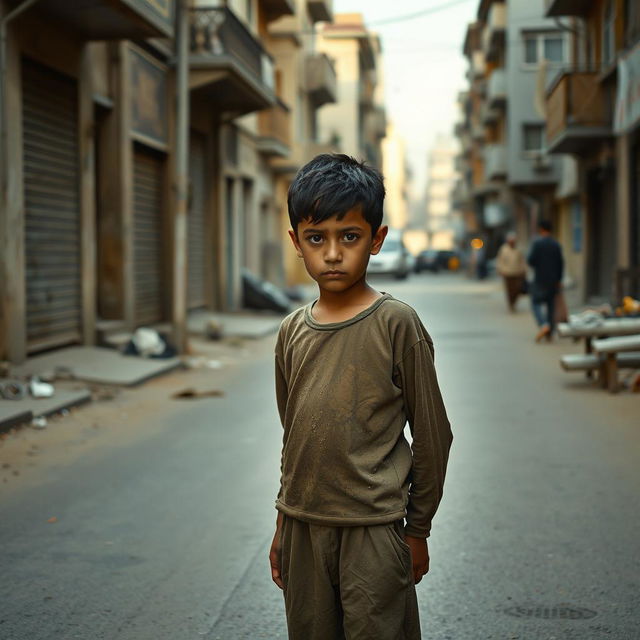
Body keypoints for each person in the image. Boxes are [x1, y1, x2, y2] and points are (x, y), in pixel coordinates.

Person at [268, 154, 453, 640]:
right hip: (305, 529)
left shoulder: (398, 325)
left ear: (376, 240)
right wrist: (283, 523)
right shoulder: (291, 331)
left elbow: (434, 436)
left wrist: (418, 530)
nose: (332, 253)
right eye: (316, 238)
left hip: (375, 529)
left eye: (348, 237)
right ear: (296, 243)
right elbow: (294, 436)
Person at [527, 219, 564, 342]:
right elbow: (561, 263)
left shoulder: (538, 244)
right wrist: (559, 279)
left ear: (541, 229)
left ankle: (544, 325)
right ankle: (550, 333)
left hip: (540, 280)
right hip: (553, 281)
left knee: (535, 302)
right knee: (550, 306)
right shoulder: (556, 244)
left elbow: (530, 260)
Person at [496, 231, 527, 312]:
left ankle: (514, 302)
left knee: (517, 289)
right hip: (507, 273)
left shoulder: (518, 249)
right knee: (509, 290)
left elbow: (522, 260)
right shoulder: (504, 249)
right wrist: (500, 269)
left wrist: (524, 269)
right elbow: (500, 260)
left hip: (517, 272)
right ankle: (511, 304)